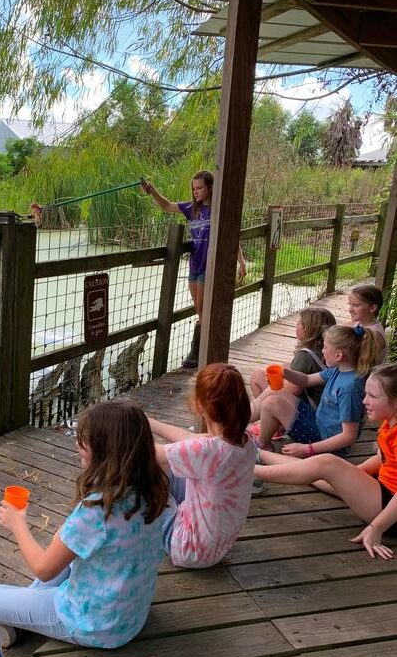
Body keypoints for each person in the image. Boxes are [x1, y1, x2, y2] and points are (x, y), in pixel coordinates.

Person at [0, 400, 169, 649]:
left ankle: (20, 619)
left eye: (85, 441)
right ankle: (23, 617)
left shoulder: (97, 509)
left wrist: (17, 523)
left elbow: (44, 570)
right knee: (42, 586)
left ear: (105, 449)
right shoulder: (153, 488)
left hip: (92, 624)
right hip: (129, 617)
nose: (78, 445)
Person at [253, 363, 397, 560]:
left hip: (390, 516)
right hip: (382, 494)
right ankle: (258, 454)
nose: (364, 401)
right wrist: (353, 474)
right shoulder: (390, 423)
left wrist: (376, 529)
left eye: (372, 396)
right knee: (317, 471)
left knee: (327, 464)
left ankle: (248, 471)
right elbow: (382, 458)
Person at [147, 363, 256, 568]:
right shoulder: (244, 442)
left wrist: (124, 424)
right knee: (173, 462)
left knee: (143, 470)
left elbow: (143, 453)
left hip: (188, 548)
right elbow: (190, 440)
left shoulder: (208, 451)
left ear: (198, 405)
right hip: (218, 546)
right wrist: (148, 421)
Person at [141, 171, 247, 368]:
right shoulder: (192, 209)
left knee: (203, 308)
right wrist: (152, 191)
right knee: (200, 311)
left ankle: (200, 355)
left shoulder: (218, 210)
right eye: (194, 188)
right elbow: (167, 205)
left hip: (210, 265)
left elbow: (232, 235)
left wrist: (241, 261)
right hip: (194, 264)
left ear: (210, 188)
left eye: (200, 188)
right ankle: (199, 353)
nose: (196, 191)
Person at [256, 325, 378, 461]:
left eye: (325, 347)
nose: (322, 351)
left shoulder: (349, 388)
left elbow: (348, 436)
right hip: (319, 423)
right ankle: (265, 440)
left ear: (338, 355)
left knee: (271, 403)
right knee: (277, 393)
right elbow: (306, 380)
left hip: (330, 446)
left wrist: (307, 449)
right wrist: (285, 373)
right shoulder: (338, 370)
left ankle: (262, 446)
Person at [249, 306, 337, 447]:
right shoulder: (326, 351)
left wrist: (279, 378)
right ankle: (272, 424)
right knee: (257, 376)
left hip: (311, 413)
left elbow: (292, 390)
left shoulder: (305, 356)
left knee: (272, 392)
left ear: (307, 330)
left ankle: (242, 418)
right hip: (318, 408)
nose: (296, 326)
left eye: (298, 323)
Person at [348, 284, 387, 361]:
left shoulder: (375, 336)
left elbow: (362, 363)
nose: (350, 309)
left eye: (355, 305)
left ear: (372, 308)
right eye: (350, 304)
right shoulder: (359, 323)